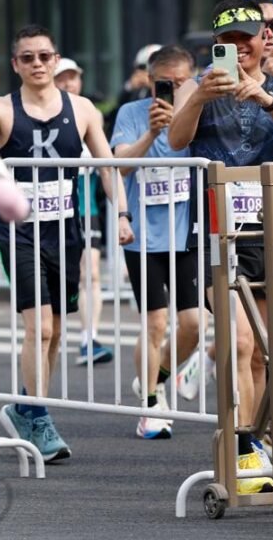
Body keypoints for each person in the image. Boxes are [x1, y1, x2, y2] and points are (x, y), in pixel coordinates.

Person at [168, 0, 273, 494]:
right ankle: (240, 447)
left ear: (263, 39)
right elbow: (176, 140)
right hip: (215, 229)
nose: (237, 48)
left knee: (265, 351)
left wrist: (263, 98)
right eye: (226, 41)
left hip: (270, 228)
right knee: (241, 341)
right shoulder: (197, 85)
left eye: (245, 39)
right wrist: (198, 97)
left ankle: (258, 440)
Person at [0, 25, 135, 463]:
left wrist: (122, 213)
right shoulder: (0, 108)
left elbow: (106, 166)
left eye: (44, 56)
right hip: (18, 230)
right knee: (39, 328)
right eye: (27, 58)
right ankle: (40, 416)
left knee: (57, 330)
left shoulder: (82, 109)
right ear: (15, 65)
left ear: (56, 59)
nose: (37, 64)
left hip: (65, 230)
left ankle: (27, 408)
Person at [111, 45, 200, 439]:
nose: (173, 90)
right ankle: (148, 406)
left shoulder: (197, 111)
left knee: (194, 324)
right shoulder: (132, 114)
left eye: (180, 83)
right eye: (164, 84)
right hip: (144, 238)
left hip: (185, 235)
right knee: (156, 322)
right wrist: (152, 132)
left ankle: (156, 377)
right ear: (149, 81)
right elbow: (120, 164)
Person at [53, 57, 113, 365]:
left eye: (73, 77)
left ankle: (90, 338)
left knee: (91, 273)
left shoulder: (89, 112)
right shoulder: (45, 114)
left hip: (86, 207)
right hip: (54, 208)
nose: (68, 83)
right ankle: (52, 334)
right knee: (64, 278)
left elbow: (106, 163)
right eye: (62, 78)